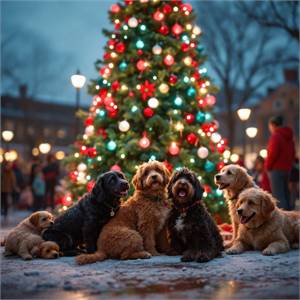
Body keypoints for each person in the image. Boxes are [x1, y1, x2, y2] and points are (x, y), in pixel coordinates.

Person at [265, 116, 295, 210]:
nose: (269, 128)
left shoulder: (276, 136)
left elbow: (273, 153)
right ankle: (290, 217)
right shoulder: (289, 137)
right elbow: (293, 153)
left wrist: (267, 166)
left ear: (273, 125)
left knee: (278, 196)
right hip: (287, 169)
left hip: (275, 169)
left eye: (269, 126)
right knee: (286, 194)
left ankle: (282, 219)